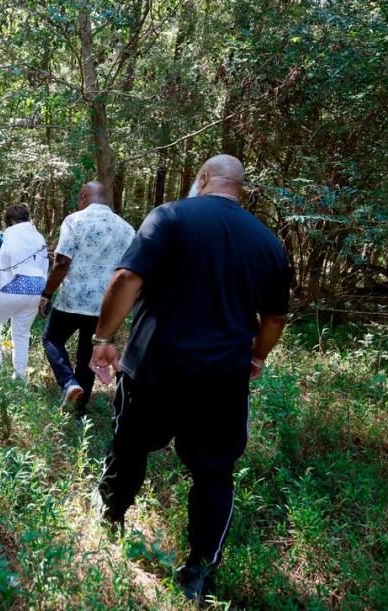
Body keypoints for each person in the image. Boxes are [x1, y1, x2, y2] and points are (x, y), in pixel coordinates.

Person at [88, 155, 291, 601]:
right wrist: (256, 356)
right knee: (214, 473)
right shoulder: (268, 242)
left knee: (129, 444)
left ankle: (111, 517)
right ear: (239, 187)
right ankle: (199, 571)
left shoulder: (171, 215)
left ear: (203, 179)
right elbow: (274, 317)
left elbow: (126, 278)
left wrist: (104, 336)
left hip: (154, 366)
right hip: (222, 377)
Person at [40, 181, 135, 414]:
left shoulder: (75, 220)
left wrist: (46, 293)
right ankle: (80, 408)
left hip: (73, 299)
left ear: (83, 197)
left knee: (51, 338)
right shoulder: (126, 228)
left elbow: (62, 262)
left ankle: (69, 383)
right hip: (107, 305)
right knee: (89, 353)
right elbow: (130, 273)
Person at [0, 205, 49, 380]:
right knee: (21, 333)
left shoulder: (10, 235)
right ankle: (19, 377)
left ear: (10, 221)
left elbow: (5, 264)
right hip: (37, 289)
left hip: (14, 286)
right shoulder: (39, 236)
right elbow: (44, 265)